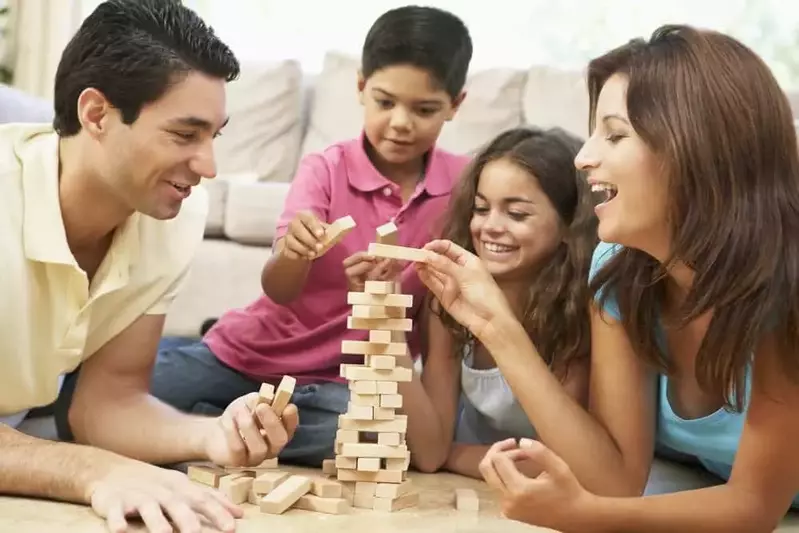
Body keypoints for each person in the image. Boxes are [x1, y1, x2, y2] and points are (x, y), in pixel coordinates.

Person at [415, 24, 799, 532]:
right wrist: (495, 325)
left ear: (696, 149)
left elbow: (754, 508)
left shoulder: (784, 279)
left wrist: (584, 515)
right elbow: (613, 478)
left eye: (615, 135)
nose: (583, 157)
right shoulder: (618, 270)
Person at [2, 1, 297, 532]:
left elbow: (106, 402)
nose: (209, 167)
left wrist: (213, 436)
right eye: (185, 135)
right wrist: (90, 470)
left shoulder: (174, 219)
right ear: (96, 115)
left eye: (215, 136)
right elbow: (89, 450)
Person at [142, 5, 474, 467]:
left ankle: (214, 422)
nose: (400, 122)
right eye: (385, 101)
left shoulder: (461, 188)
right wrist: (294, 254)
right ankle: (220, 411)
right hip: (248, 356)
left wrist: (384, 300)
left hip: (343, 386)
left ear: (456, 104)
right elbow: (279, 288)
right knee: (110, 396)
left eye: (424, 109)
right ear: (361, 87)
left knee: (373, 440)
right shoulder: (326, 169)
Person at [400, 126, 597, 477]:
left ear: (569, 225)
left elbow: (564, 464)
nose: (490, 226)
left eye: (517, 214)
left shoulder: (578, 313)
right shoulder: (450, 300)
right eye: (480, 208)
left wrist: (456, 456)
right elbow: (429, 453)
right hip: (481, 464)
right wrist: (386, 329)